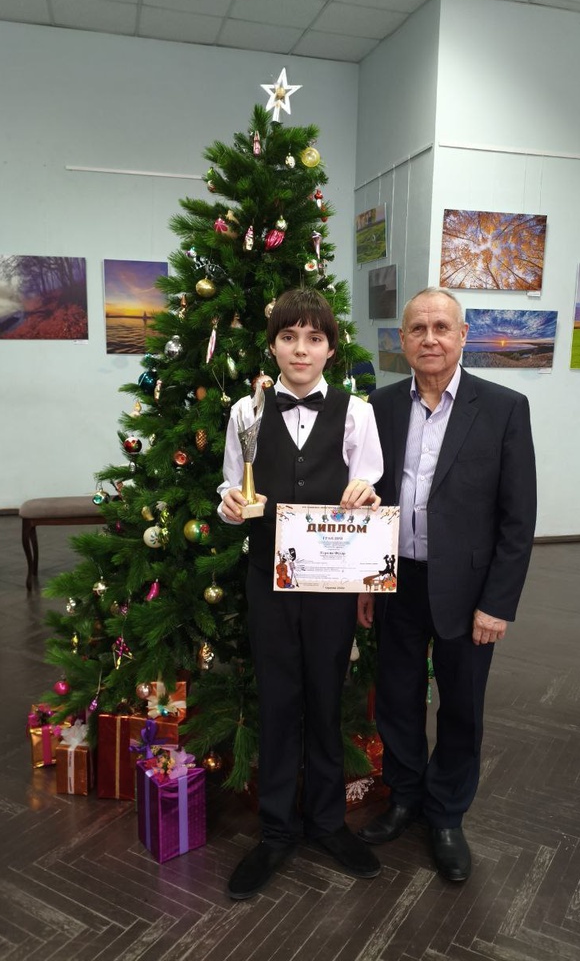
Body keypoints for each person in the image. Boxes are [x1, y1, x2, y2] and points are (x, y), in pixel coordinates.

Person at [356, 287, 536, 882]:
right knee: (397, 697)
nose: (429, 338)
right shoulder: (379, 407)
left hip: (467, 589)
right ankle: (405, 796)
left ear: (463, 336)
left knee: (461, 705)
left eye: (441, 327)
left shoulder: (504, 408)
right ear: (402, 340)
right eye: (417, 328)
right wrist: (366, 580)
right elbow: (369, 499)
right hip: (396, 580)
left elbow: (518, 519)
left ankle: (447, 814)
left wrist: (497, 603)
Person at [218, 287, 384, 900]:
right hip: (269, 580)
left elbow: (368, 485)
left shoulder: (357, 413)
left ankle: (328, 822)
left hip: (332, 584)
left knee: (325, 696)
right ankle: (276, 831)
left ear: (331, 348)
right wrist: (230, 506)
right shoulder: (246, 412)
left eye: (314, 338)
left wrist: (365, 494)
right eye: (289, 337)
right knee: (278, 699)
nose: (300, 349)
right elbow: (231, 489)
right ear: (273, 345)